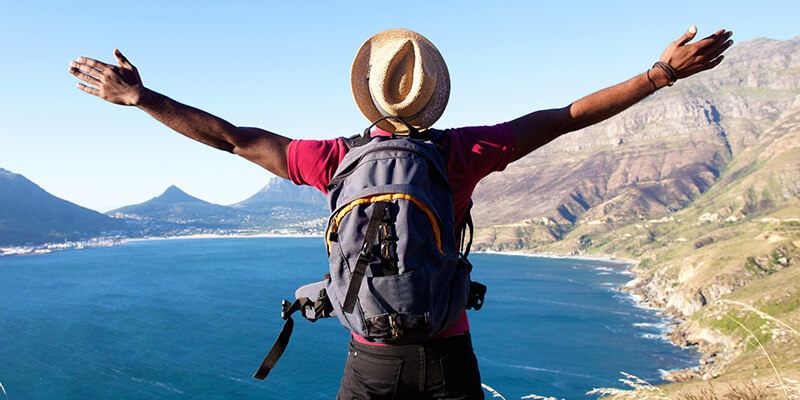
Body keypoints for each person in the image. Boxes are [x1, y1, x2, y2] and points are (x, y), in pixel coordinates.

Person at [69, 26, 733, 399]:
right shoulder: (462, 153)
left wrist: (143, 98)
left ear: (368, 98)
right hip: (447, 357)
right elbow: (564, 118)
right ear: (433, 97)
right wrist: (659, 75)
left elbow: (231, 137)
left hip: (370, 360)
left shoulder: (330, 158)